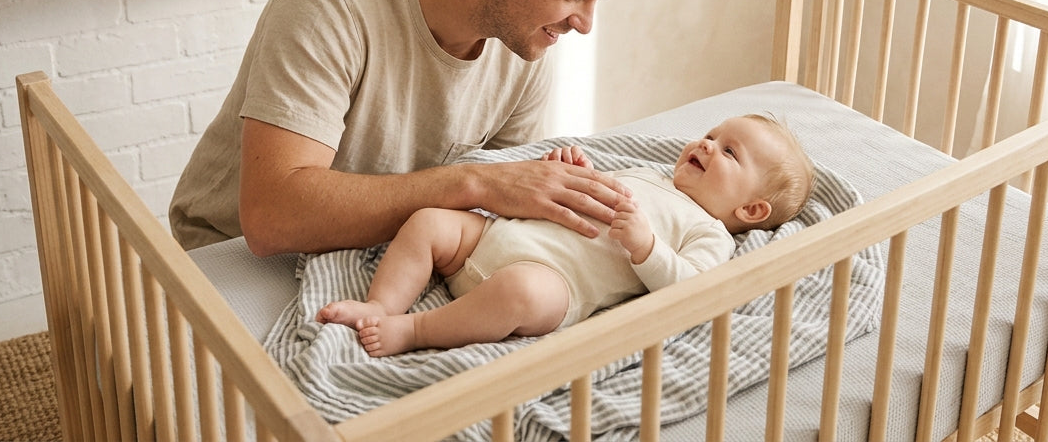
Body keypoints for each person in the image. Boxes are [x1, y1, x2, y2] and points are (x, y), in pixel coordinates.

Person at [169, 0, 651, 254]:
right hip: (229, 257)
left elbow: (507, 203)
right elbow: (271, 217)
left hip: (387, 249)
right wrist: (473, 183)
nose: (584, 24)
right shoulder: (329, 6)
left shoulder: (523, 42)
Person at [316, 114, 816, 357]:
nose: (707, 144)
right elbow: (588, 192)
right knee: (428, 219)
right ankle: (383, 306)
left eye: (729, 153)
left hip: (553, 281)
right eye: (712, 135)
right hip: (499, 237)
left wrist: (646, 247)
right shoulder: (652, 174)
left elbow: (692, 292)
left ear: (751, 209)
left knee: (518, 292)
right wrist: (575, 170)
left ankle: (414, 332)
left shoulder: (710, 233)